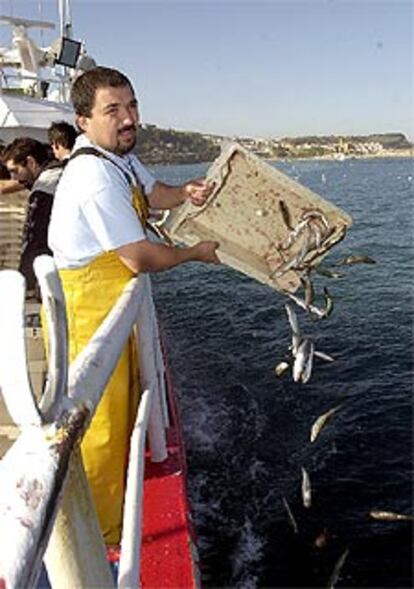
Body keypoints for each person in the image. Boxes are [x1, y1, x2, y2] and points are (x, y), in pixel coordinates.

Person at [48, 66, 220, 545]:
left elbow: (153, 193)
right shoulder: (93, 176)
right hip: (88, 313)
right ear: (83, 120)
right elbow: (140, 256)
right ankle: (101, 541)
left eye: (132, 106)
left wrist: (185, 191)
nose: (128, 119)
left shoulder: (117, 160)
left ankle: (111, 514)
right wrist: (194, 253)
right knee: (98, 424)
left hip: (112, 305)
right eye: (112, 110)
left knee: (121, 413)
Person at [3, 138, 64, 293]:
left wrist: (26, 280)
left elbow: (36, 239)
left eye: (15, 171)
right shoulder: (61, 172)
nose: (14, 179)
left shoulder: (44, 189)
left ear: (30, 162)